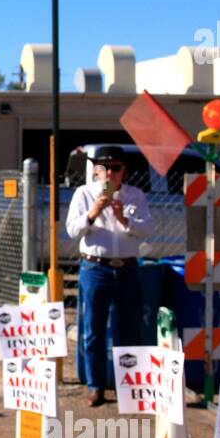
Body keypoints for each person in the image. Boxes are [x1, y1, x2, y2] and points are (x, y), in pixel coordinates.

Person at [66, 146, 152, 406]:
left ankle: (129, 389)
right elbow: (72, 230)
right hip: (95, 268)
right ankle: (96, 387)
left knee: (128, 328)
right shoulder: (83, 193)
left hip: (126, 268)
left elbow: (147, 228)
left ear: (123, 171)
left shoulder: (135, 195)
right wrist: (93, 212)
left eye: (115, 168)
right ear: (95, 170)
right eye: (104, 168)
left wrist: (123, 218)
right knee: (93, 329)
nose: (109, 173)